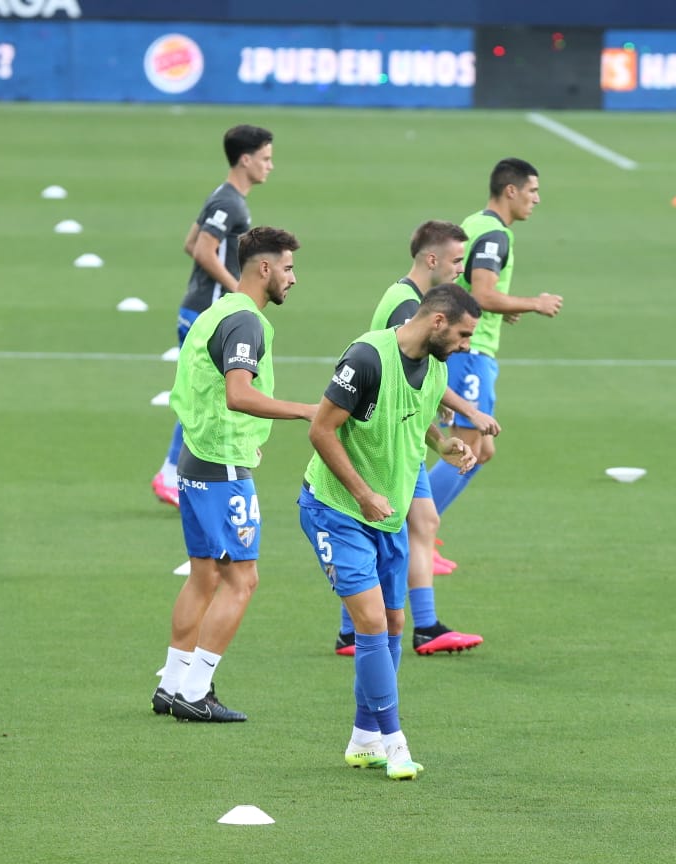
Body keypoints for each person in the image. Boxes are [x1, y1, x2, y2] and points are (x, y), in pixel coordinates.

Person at [298, 284, 482, 780]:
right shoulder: (366, 358)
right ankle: (395, 742)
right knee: (374, 624)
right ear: (439, 322)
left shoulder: (435, 367)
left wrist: (444, 445)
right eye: (464, 334)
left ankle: (363, 738)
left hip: (389, 517)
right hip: (337, 510)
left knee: (395, 626)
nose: (467, 345)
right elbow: (320, 429)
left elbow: (417, 417)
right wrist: (361, 493)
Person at [150, 227, 316, 723]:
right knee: (242, 580)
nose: (293, 278)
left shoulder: (216, 312)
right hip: (222, 465)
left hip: (196, 459)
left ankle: (172, 683)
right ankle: (195, 692)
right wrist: (306, 411)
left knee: (204, 576)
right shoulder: (247, 322)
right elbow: (238, 394)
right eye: (287, 268)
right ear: (264, 268)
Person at [332, 221, 499, 658]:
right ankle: (402, 627)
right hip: (392, 438)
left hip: (406, 431)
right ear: (432, 259)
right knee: (400, 526)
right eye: (457, 260)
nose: (461, 270)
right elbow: (401, 377)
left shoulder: (408, 298)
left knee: (420, 523)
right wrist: (467, 412)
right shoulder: (407, 306)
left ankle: (381, 628)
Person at [427, 158, 563, 535]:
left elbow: (470, 289)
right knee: (465, 449)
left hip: (467, 351)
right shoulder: (494, 235)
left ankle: (423, 532)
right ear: (511, 191)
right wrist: (534, 303)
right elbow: (484, 293)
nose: (536, 199)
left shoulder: (476, 224)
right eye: (533, 191)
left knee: (482, 451)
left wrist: (509, 307)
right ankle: (414, 532)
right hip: (469, 354)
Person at [152, 125, 276, 510]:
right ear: (246, 159)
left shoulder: (224, 196)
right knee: (207, 394)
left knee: (209, 393)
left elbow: (191, 242)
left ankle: (176, 472)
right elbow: (204, 250)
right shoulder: (231, 204)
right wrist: (240, 291)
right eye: (266, 158)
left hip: (198, 307)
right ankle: (172, 472)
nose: (271, 166)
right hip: (206, 310)